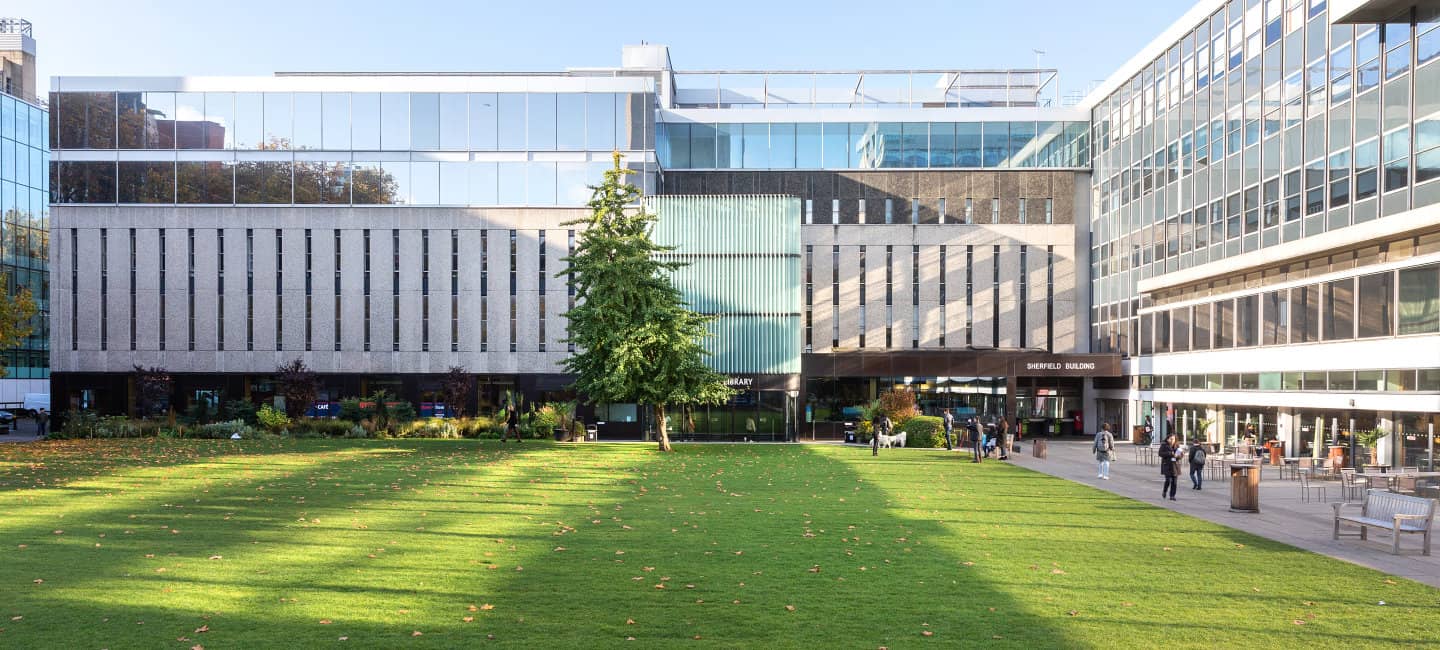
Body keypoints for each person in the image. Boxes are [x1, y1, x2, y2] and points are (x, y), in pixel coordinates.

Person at [1159, 434, 1181, 500]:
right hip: (1167, 465)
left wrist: (1178, 456)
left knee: (1174, 482)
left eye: (1173, 439)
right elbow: (1160, 453)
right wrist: (1170, 453)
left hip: (1175, 466)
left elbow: (1181, 455)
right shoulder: (1164, 445)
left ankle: (1172, 495)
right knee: (1168, 480)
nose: (1172, 440)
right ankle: (1164, 491)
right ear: (1168, 439)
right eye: (1171, 439)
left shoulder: (1177, 446)